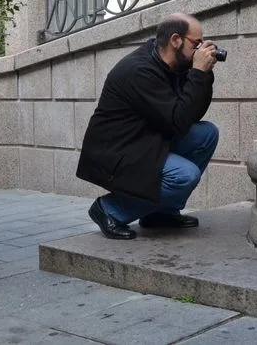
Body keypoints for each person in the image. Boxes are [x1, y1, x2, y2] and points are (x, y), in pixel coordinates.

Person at [76, 12, 220, 240]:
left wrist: (203, 74)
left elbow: (190, 116)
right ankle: (110, 208)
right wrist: (198, 73)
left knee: (206, 133)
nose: (201, 48)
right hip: (119, 151)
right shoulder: (139, 70)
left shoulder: (174, 65)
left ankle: (161, 212)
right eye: (196, 43)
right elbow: (178, 121)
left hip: (147, 139)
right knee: (184, 176)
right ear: (176, 40)